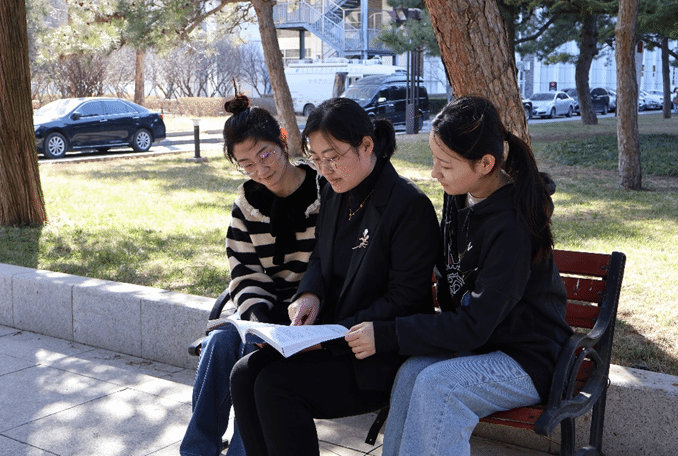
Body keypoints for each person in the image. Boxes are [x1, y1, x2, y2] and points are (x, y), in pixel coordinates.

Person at [352, 96, 573, 456]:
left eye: (445, 164)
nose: (434, 173)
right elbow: (450, 273)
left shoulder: (513, 227)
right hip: (482, 346)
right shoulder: (459, 194)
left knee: (439, 386)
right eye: (434, 159)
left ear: (485, 164)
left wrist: (388, 334)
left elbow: (474, 325)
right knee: (411, 374)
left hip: (529, 359)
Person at [229, 97, 440, 456]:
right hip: (330, 335)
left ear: (366, 145)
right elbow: (320, 258)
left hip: (378, 351)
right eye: (316, 159)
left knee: (276, 386)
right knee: (244, 373)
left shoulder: (408, 205)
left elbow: (403, 300)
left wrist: (329, 337)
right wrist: (308, 295)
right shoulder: (334, 192)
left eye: (333, 157)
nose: (325, 169)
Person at [180, 94, 322, 456]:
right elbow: (244, 274)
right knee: (220, 343)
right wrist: (259, 321)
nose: (260, 170)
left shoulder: (324, 191)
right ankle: (197, 450)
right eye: (246, 164)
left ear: (283, 139)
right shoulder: (246, 205)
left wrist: (281, 325)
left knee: (251, 355)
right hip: (261, 312)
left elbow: (330, 265)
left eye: (265, 155)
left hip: (312, 314)